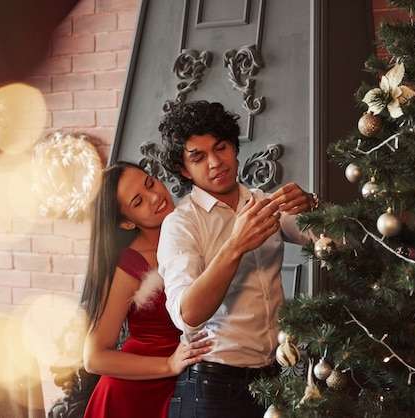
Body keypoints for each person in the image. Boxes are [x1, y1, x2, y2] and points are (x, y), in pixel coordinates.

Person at [157, 100, 321, 418]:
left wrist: (314, 204)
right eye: (198, 157)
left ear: (234, 147)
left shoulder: (264, 203)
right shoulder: (181, 224)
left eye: (221, 148)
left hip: (272, 382)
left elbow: (341, 245)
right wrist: (235, 246)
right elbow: (187, 314)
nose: (216, 162)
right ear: (183, 168)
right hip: (210, 389)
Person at [81, 161, 211, 418]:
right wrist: (168, 364)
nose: (155, 197)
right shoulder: (130, 265)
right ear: (127, 223)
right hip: (132, 397)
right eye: (138, 202)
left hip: (196, 383)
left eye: (150, 183)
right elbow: (94, 357)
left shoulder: (194, 227)